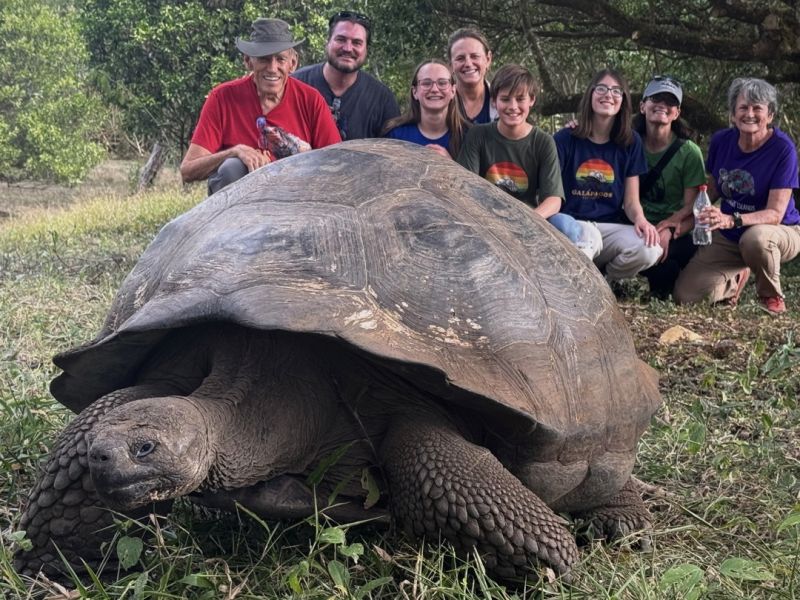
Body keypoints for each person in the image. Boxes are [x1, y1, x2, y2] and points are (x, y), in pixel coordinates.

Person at [674, 77, 800, 314]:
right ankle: (736, 278)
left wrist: (732, 219)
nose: (749, 114)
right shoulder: (722, 141)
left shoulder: (783, 150)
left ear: (770, 115)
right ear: (733, 114)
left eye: (757, 108)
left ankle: (771, 297)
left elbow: (775, 213)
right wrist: (679, 217)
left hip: (780, 231)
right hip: (731, 234)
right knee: (686, 296)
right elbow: (711, 189)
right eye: (743, 107)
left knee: (756, 239)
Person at [180, 18, 341, 195]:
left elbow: (337, 164)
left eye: (280, 59)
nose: (272, 68)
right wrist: (234, 152)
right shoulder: (222, 97)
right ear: (248, 61)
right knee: (231, 167)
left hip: (296, 199)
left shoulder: (311, 100)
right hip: (240, 208)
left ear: (292, 63)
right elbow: (188, 170)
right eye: (264, 59)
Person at [457, 64, 590, 256]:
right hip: (485, 220)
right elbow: (465, 188)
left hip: (530, 220)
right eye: (505, 99)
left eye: (520, 99)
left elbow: (553, 200)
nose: (513, 107)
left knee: (566, 226)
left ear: (532, 100)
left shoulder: (543, 142)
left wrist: (526, 220)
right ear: (494, 102)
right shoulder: (478, 135)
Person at [553, 69, 661, 282]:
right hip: (571, 224)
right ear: (590, 95)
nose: (608, 95)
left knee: (650, 249)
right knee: (586, 236)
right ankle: (579, 285)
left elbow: (631, 202)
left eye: (616, 91)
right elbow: (551, 191)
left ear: (623, 100)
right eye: (601, 88)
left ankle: (605, 282)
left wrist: (641, 220)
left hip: (608, 227)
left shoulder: (631, 142)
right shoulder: (566, 138)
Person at [634, 76, 707, 299]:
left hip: (676, 231)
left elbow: (692, 209)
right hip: (637, 224)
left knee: (667, 271)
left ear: (677, 113)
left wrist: (669, 230)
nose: (662, 105)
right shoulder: (627, 143)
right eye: (656, 98)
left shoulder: (689, 153)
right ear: (643, 106)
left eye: (670, 102)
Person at [293, 11, 399, 140]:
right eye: (341, 39)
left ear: (366, 50)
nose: (348, 48)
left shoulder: (382, 99)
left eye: (357, 43)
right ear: (328, 42)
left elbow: (394, 152)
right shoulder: (295, 84)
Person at [382, 60, 468, 159]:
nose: (435, 89)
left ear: (453, 90)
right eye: (426, 83)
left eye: (442, 83)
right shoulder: (395, 136)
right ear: (415, 92)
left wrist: (450, 166)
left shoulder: (468, 136)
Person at [447, 28, 498, 124]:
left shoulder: (504, 105)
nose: (468, 64)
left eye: (475, 56)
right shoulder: (439, 105)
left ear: (488, 59)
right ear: (450, 65)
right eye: (460, 58)